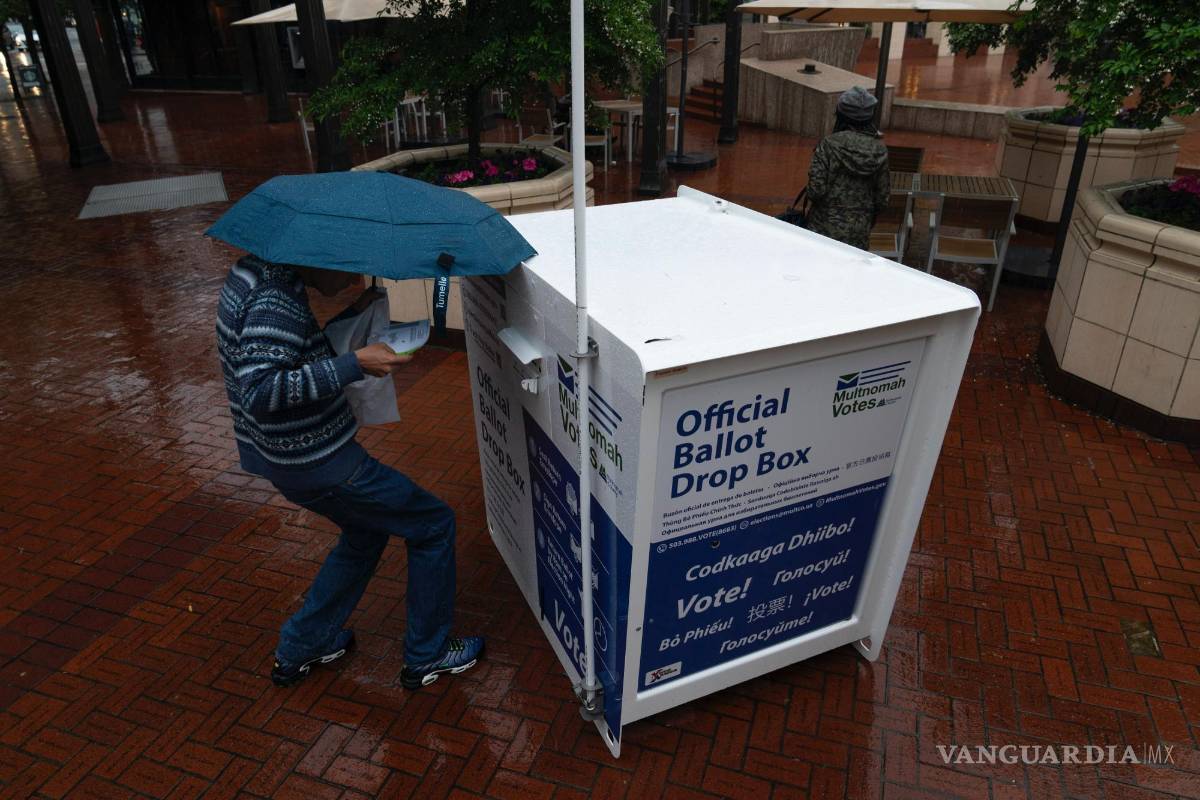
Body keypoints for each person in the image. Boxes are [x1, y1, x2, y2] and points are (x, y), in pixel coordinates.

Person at [215, 254, 484, 689]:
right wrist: (354, 363)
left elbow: (277, 355)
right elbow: (261, 389)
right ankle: (427, 654)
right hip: (319, 461)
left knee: (365, 532)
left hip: (285, 456)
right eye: (347, 265)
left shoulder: (253, 272)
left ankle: (304, 644)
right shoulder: (276, 299)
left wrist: (351, 320)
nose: (352, 276)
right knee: (433, 524)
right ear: (317, 253)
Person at [805, 86, 891, 251]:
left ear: (841, 115)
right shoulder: (880, 150)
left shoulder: (829, 144)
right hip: (859, 234)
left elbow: (815, 191)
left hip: (822, 230)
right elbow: (882, 199)